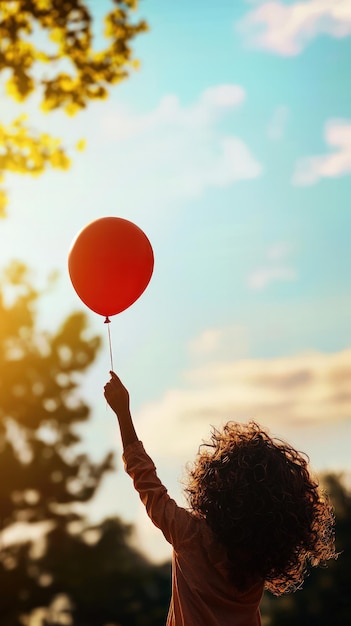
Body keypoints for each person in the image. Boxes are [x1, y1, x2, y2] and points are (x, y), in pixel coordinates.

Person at [104, 371, 337, 626]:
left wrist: (123, 414)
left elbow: (147, 483)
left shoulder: (189, 535)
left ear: (219, 486)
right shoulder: (257, 564)